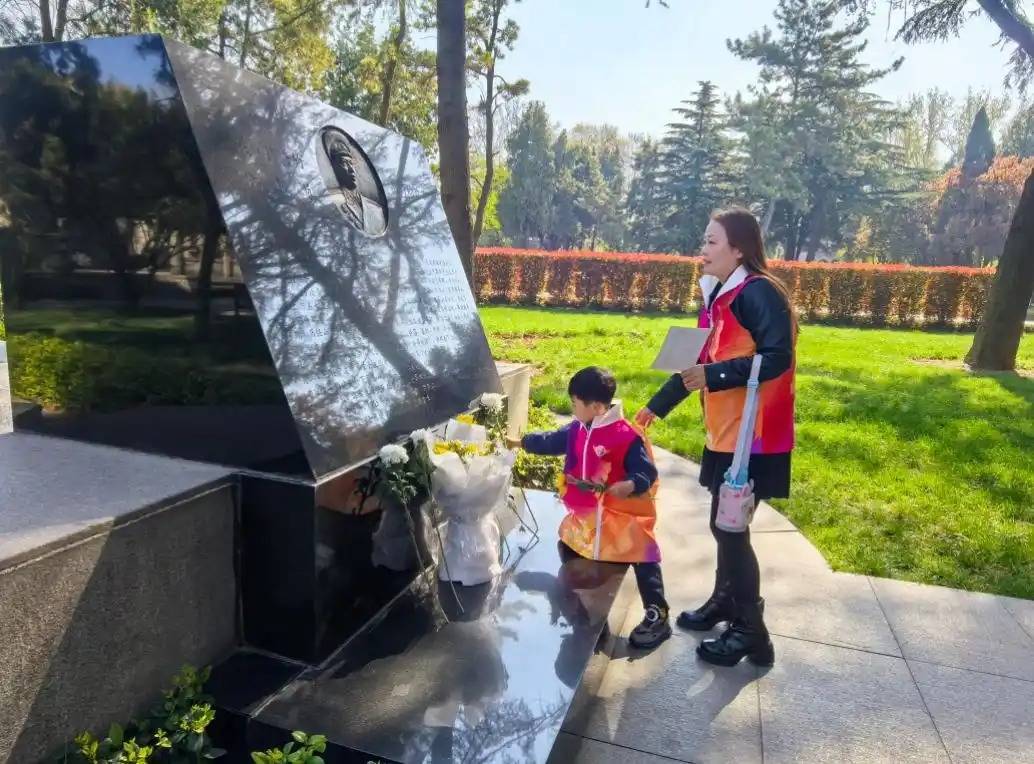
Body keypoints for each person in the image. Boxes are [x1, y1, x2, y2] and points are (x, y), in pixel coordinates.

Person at [637, 207, 796, 668]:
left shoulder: (758, 292)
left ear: (738, 249)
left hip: (754, 437)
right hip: (725, 434)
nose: (702, 249)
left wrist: (716, 374)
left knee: (730, 528)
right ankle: (727, 602)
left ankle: (752, 632)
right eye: (703, 240)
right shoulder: (717, 297)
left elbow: (778, 357)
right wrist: (656, 406)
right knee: (726, 527)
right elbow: (696, 365)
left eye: (711, 241)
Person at [513, 366, 671, 649]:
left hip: (622, 516)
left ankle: (656, 614)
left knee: (642, 556)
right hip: (586, 517)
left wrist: (631, 484)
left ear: (597, 407)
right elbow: (552, 441)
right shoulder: (578, 428)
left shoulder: (626, 436)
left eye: (575, 403)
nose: (572, 409)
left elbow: (646, 472)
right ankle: (587, 610)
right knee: (568, 548)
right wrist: (523, 442)